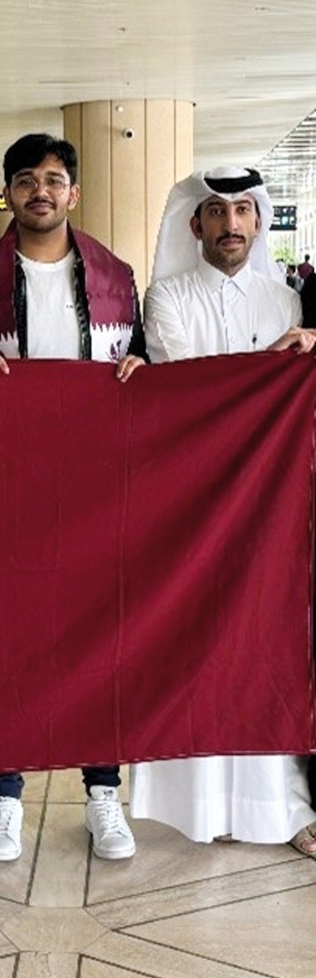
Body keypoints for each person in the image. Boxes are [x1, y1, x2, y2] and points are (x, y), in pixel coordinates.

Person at [0, 133, 144, 864]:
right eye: (27, 179)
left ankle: (102, 791)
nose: (41, 190)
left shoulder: (118, 278)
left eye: (55, 179)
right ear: (8, 192)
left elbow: (145, 369)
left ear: (75, 192)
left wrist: (137, 363)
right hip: (8, 491)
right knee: (10, 637)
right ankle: (4, 795)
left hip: (97, 488)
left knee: (102, 634)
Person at [134, 166, 316, 855]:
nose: (231, 224)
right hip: (195, 504)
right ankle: (199, 806)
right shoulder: (168, 297)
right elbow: (188, 391)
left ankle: (279, 807)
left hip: (272, 510)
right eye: (217, 213)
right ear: (195, 225)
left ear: (259, 222)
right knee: (201, 649)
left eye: (243, 211)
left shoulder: (285, 303)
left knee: (270, 648)